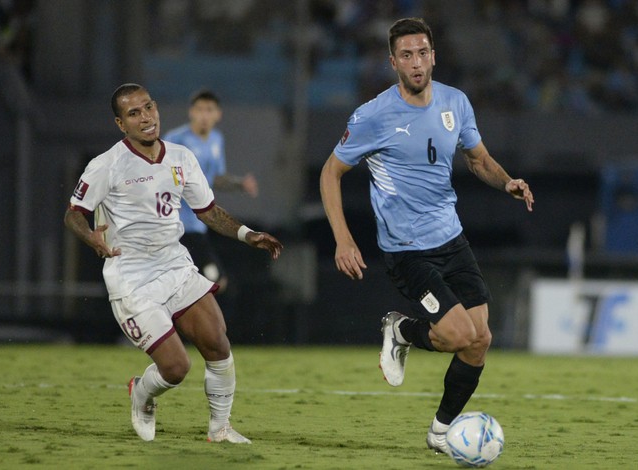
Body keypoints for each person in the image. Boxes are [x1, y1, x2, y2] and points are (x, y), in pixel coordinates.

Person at [319, 18, 534, 454]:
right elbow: (330, 172)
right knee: (456, 336)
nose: (416, 63)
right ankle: (401, 330)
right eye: (406, 55)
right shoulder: (373, 116)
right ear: (392, 62)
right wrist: (343, 238)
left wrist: (507, 181)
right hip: (407, 250)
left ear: (433, 56)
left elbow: (479, 159)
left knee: (481, 341)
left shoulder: (456, 102)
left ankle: (440, 431)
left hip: (452, 240)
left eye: (422, 53)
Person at [64, 83, 283, 444]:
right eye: (134, 113)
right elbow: (74, 214)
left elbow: (208, 211)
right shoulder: (107, 165)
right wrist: (90, 236)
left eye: (148, 107)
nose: (146, 117)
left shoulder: (181, 156)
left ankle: (220, 428)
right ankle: (142, 394)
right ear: (121, 124)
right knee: (176, 368)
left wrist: (248, 234)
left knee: (218, 343)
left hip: (175, 265)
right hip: (132, 277)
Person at [163, 90, 258, 293]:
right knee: (213, 281)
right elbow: (160, 176)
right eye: (199, 109)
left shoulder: (216, 139)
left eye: (209, 110)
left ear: (218, 114)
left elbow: (215, 177)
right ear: (191, 112)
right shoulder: (175, 139)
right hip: (175, 226)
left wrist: (241, 183)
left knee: (208, 284)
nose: (204, 115)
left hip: (199, 225)